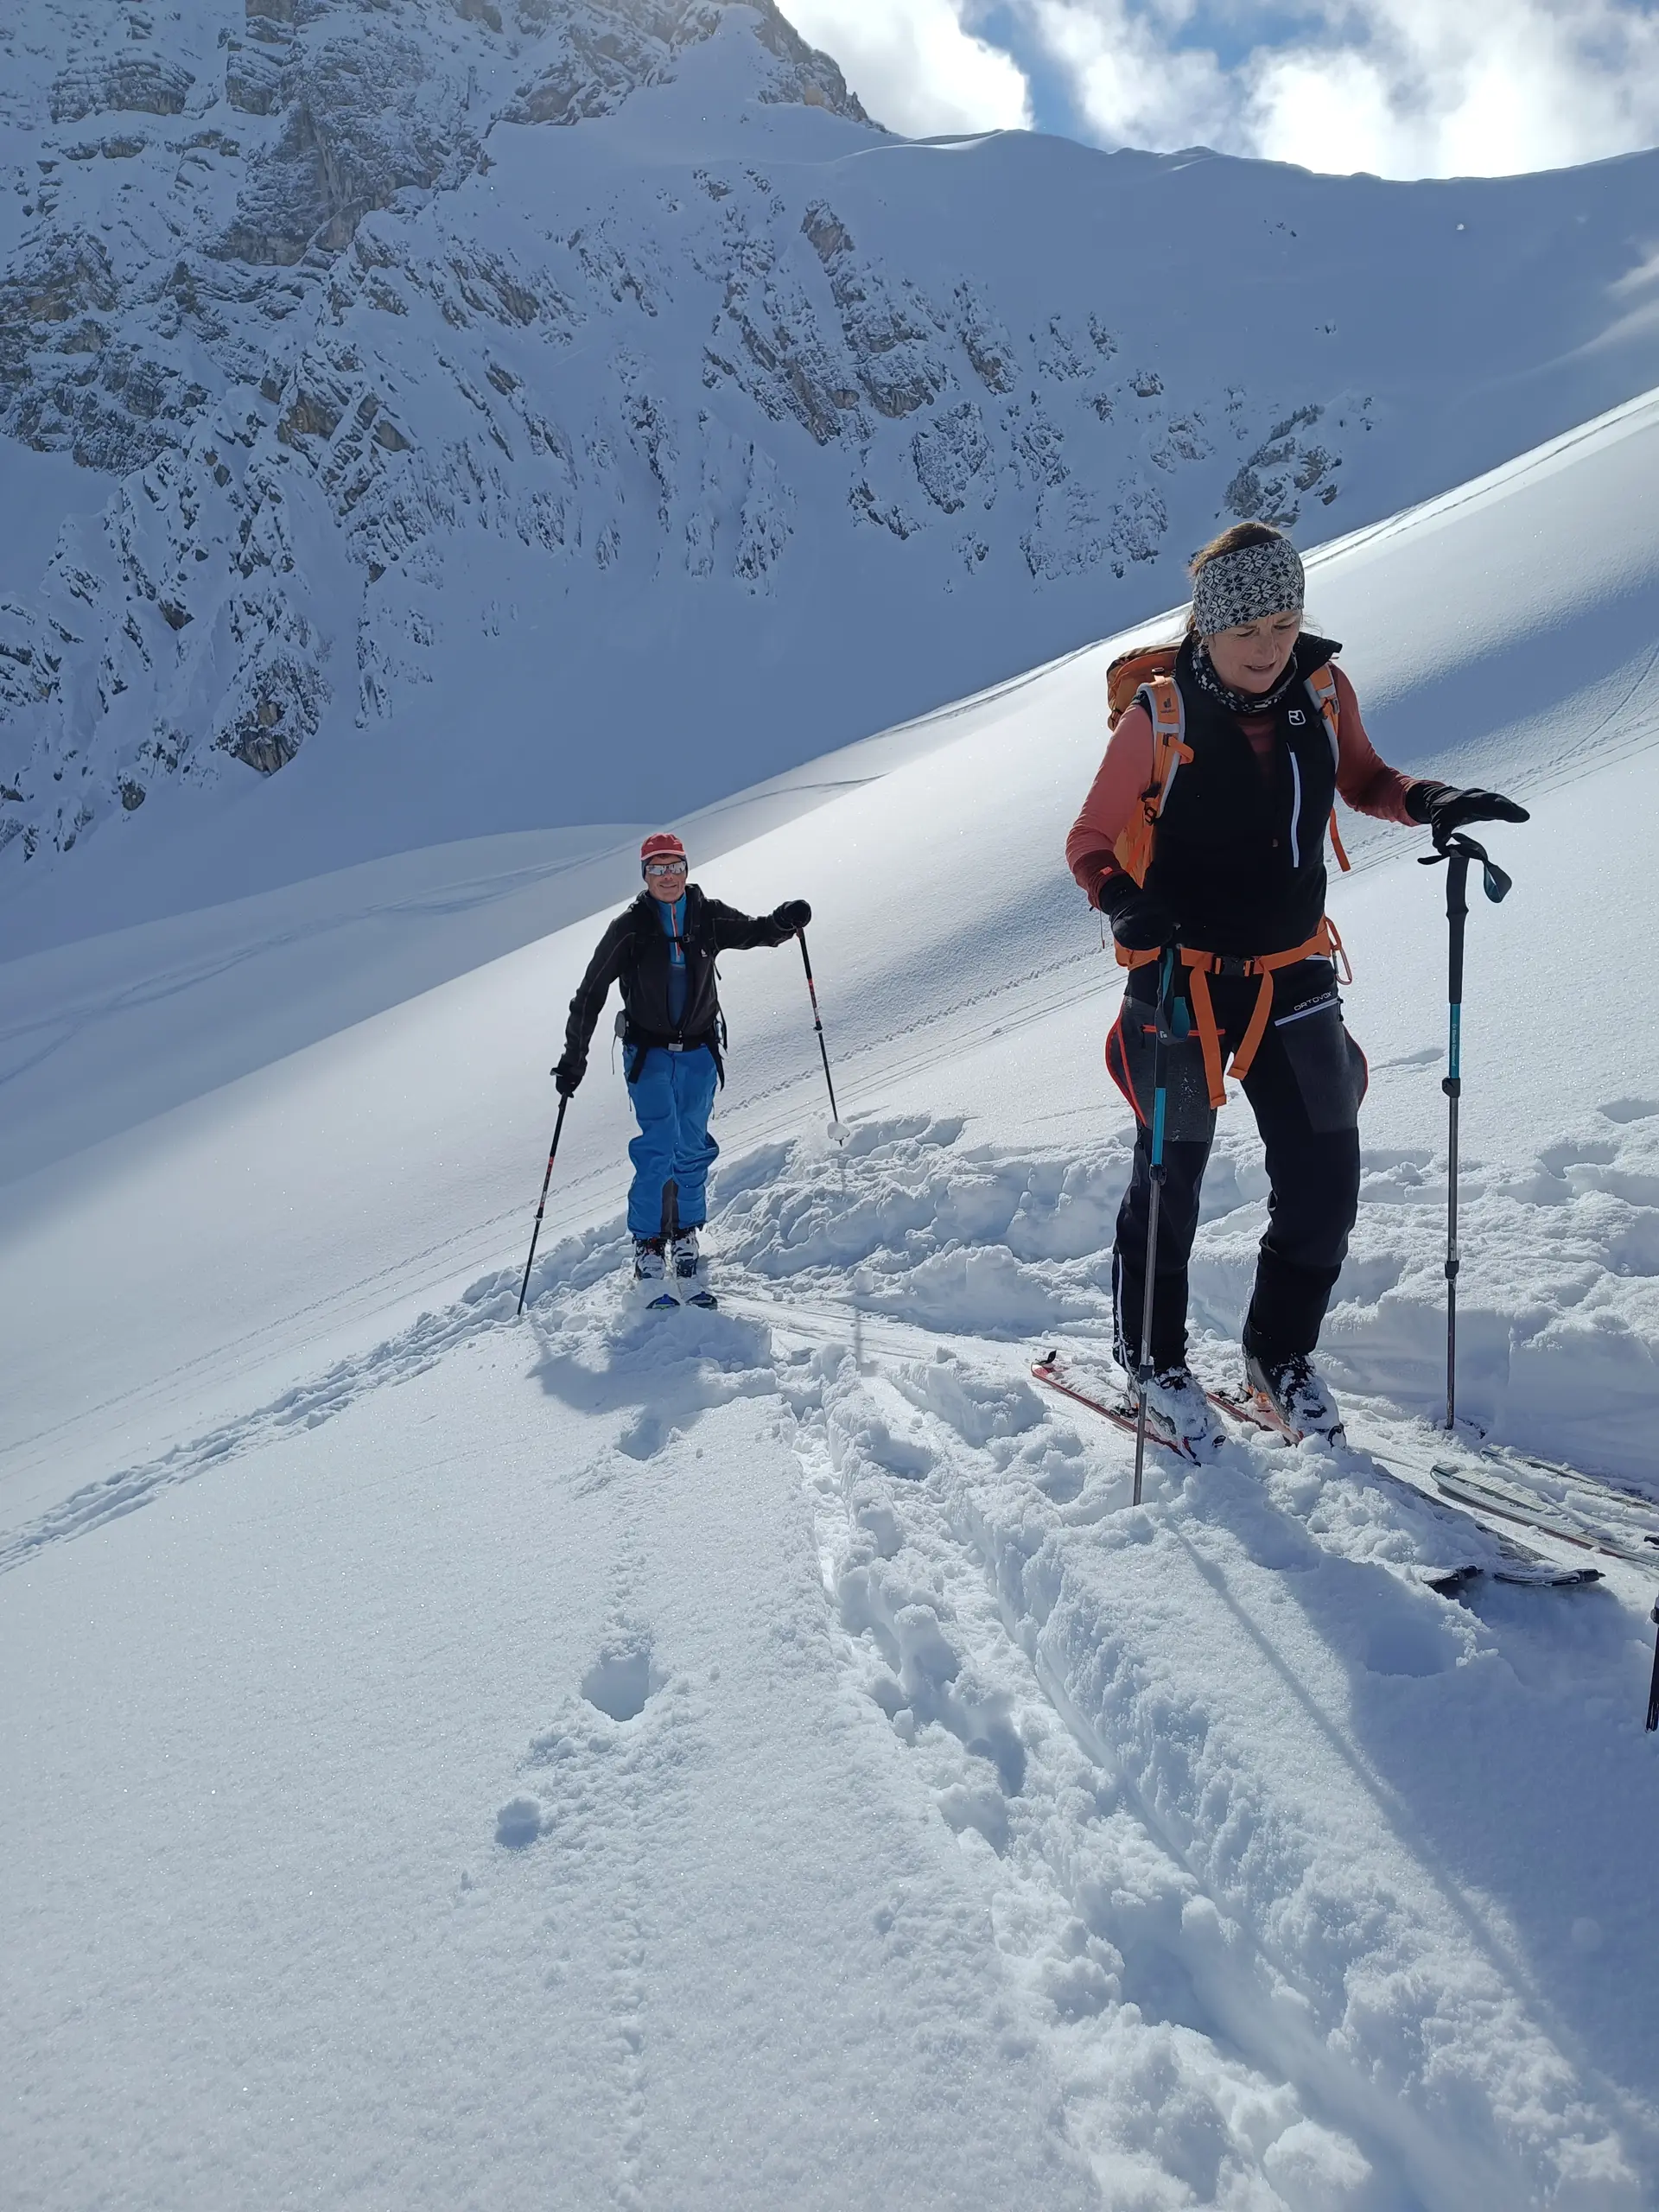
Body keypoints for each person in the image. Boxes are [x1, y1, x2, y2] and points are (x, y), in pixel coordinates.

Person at [1065, 521, 1526, 1452]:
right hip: (1180, 979)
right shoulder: (1157, 716)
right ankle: (1151, 1360)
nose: (1272, 645)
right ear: (1208, 631)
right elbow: (1089, 839)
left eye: (1286, 620)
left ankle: (1278, 1356)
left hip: (1294, 970)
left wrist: (1429, 800)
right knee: (1172, 1179)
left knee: (1325, 1178)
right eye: (1250, 631)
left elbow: (1364, 778)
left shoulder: (1321, 687)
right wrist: (1121, 899)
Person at [553, 832, 810, 1306]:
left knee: (692, 1147)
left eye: (675, 867)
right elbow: (590, 993)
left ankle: (685, 1236)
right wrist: (574, 1060)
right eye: (657, 868)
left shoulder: (707, 914)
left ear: (687, 870)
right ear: (644, 875)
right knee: (658, 1147)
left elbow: (754, 931)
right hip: (648, 1054)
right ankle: (649, 1245)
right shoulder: (629, 927)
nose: (667, 877)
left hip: (698, 1053)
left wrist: (782, 923)